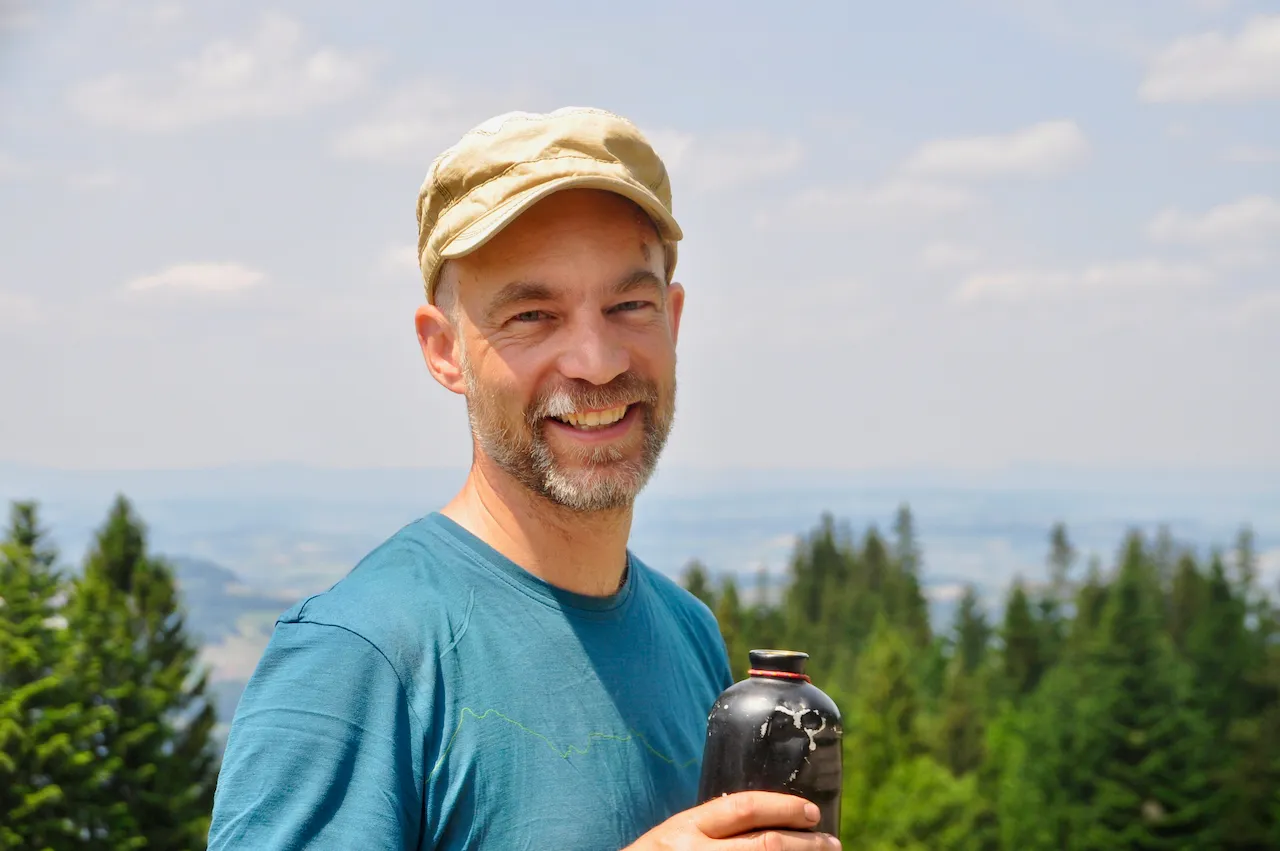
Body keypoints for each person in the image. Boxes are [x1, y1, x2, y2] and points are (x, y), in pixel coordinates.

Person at [207, 107, 839, 850]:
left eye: (629, 305)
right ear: (445, 351)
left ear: (673, 319)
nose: (597, 361)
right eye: (533, 315)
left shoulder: (688, 634)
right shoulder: (359, 653)